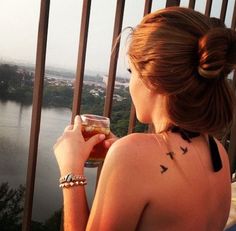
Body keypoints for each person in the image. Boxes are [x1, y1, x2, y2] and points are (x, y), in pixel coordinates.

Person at [53, 6, 236, 231]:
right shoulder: (218, 152)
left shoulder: (132, 156)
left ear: (153, 79)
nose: (130, 84)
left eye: (132, 72)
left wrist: (70, 171)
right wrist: (125, 155)